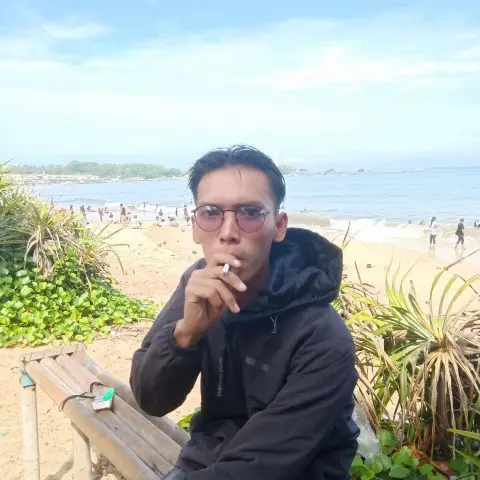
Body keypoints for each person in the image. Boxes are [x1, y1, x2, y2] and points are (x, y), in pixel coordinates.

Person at [130, 145, 359, 480]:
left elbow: (261, 468)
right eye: (211, 212)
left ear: (279, 226)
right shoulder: (199, 285)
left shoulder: (322, 337)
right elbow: (151, 399)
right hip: (207, 458)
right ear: (195, 226)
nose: (227, 232)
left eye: (250, 213)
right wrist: (186, 335)